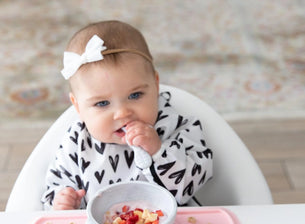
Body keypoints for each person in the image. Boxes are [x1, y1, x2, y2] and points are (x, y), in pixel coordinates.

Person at [42, 20, 213, 210]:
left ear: (155, 86)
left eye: (135, 95)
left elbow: (189, 186)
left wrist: (158, 152)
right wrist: (62, 204)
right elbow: (53, 190)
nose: (122, 113)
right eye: (102, 103)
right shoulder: (77, 142)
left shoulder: (179, 127)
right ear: (78, 107)